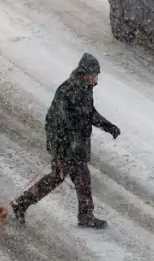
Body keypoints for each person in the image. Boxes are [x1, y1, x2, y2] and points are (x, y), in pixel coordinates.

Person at [11, 53, 120, 229]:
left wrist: (108, 126)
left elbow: (89, 113)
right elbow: (53, 124)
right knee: (59, 178)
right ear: (84, 73)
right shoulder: (67, 91)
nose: (95, 78)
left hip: (77, 148)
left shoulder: (85, 89)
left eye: (96, 75)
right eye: (93, 74)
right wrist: (58, 153)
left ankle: (84, 215)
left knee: (81, 180)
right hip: (67, 148)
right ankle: (22, 203)